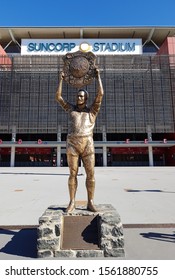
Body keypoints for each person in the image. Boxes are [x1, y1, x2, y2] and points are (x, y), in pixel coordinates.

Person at [55, 68, 104, 213]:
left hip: (87, 143)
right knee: (72, 174)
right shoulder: (71, 109)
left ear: (86, 99)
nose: (79, 98)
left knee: (91, 174)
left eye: (82, 96)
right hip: (72, 144)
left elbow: (100, 94)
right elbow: (58, 97)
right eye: (78, 96)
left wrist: (98, 76)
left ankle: (90, 201)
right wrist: (61, 79)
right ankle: (72, 202)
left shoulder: (92, 111)